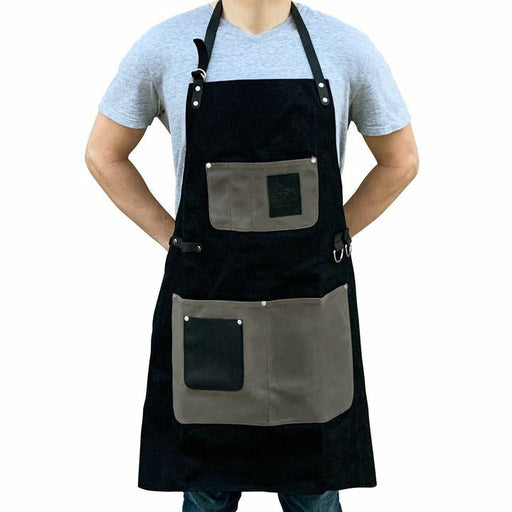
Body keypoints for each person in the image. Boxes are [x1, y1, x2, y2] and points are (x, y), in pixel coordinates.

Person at [85, 1, 418, 511]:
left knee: (313, 492)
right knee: (208, 489)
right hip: (210, 305)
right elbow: (103, 154)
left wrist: (335, 234)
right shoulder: (165, 47)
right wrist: (171, 236)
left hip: (308, 311)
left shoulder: (345, 48)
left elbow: (401, 160)